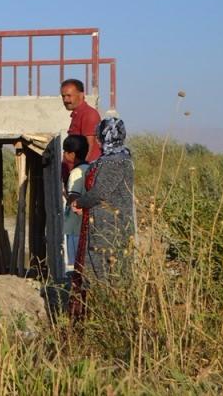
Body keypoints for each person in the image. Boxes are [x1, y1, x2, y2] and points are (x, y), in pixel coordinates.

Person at [69, 117, 137, 320]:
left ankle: (104, 320)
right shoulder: (117, 159)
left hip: (108, 229)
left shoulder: (115, 162)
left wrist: (80, 202)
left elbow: (100, 192)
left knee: (104, 275)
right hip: (104, 225)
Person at [60, 79, 101, 179]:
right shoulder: (77, 115)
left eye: (69, 96)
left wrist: (81, 177)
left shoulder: (88, 114)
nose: (65, 100)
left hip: (82, 176)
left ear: (81, 95)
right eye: (63, 96)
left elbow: (90, 147)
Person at [61, 134, 89, 273]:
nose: (64, 155)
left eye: (65, 152)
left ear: (72, 154)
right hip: (83, 227)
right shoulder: (89, 168)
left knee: (73, 267)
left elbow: (74, 200)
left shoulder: (76, 172)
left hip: (74, 227)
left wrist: (65, 194)